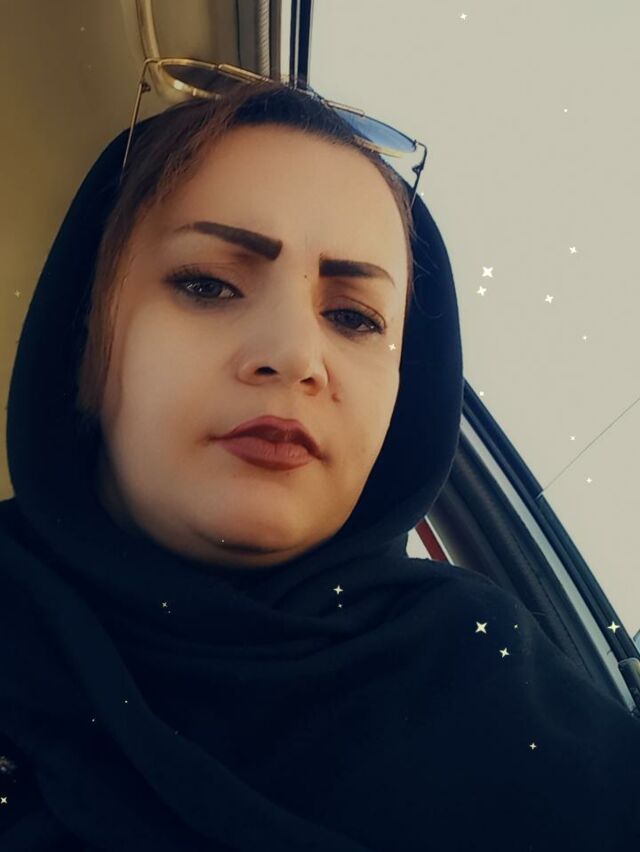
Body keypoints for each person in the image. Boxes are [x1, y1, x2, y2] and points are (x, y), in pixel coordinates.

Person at [1, 78, 639, 852]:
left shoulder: (501, 689)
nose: (296, 356)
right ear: (86, 339)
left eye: (352, 317)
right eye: (207, 284)